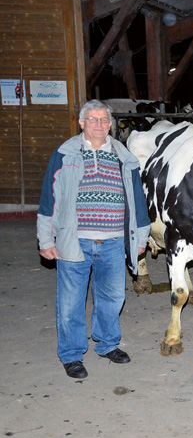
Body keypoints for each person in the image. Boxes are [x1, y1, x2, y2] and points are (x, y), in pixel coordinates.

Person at [37, 99, 150, 379]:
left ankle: (107, 343)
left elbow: (137, 200)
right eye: (93, 119)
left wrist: (140, 237)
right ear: (81, 122)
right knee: (71, 302)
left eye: (103, 120)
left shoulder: (124, 157)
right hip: (74, 240)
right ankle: (72, 354)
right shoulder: (64, 154)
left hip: (114, 241)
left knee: (113, 297)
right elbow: (49, 198)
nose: (99, 124)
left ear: (110, 124)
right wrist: (45, 239)